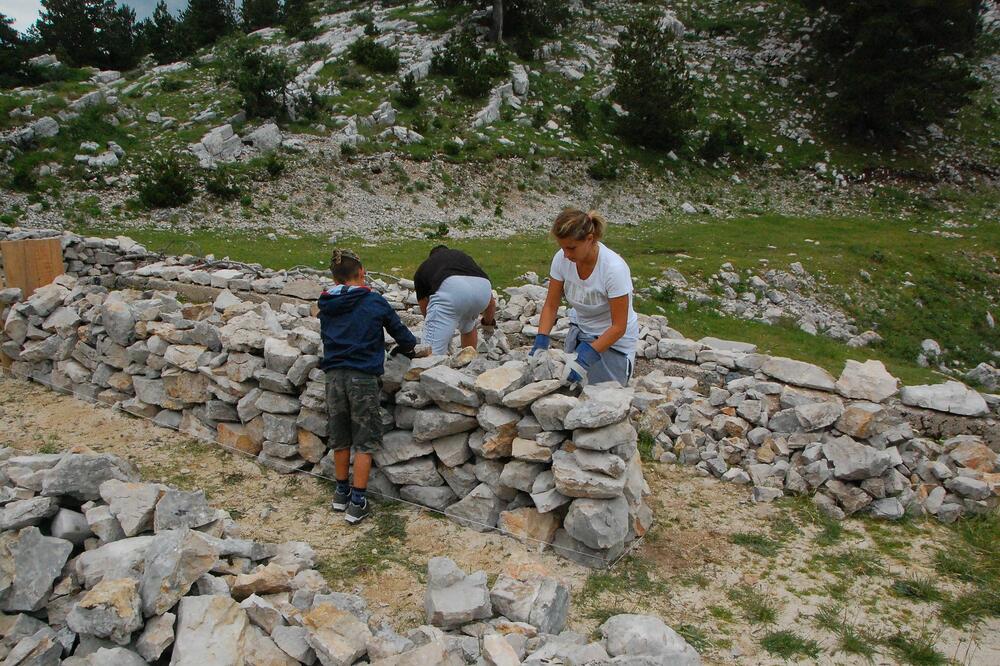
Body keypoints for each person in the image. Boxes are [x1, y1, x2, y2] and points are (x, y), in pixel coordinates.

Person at [317, 249, 417, 524]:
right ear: (361, 273)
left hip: (334, 375)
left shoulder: (325, 303)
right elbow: (401, 333)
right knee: (365, 438)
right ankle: (358, 500)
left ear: (334, 278)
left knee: (340, 434)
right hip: (362, 375)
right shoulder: (374, 300)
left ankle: (340, 493)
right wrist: (408, 349)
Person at [531, 208, 639, 386]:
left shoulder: (613, 269)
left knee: (602, 399)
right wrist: (541, 340)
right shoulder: (562, 259)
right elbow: (551, 305)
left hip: (613, 342)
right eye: (562, 247)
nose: (566, 254)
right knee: (565, 388)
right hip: (582, 331)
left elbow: (619, 326)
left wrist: (586, 358)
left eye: (571, 248)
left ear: (590, 239)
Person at [413, 245, 497, 355]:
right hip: (483, 289)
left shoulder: (425, 267)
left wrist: (436, 325)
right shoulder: (463, 258)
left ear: (431, 257)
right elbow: (491, 303)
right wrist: (488, 325)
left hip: (453, 289)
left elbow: (425, 306)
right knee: (468, 323)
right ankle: (469, 362)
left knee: (430, 353)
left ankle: (430, 368)